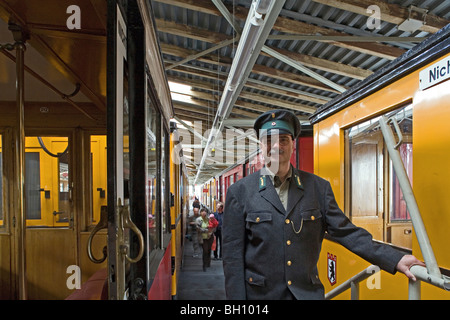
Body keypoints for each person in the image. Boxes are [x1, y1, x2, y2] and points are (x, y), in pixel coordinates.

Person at [222, 109, 424, 300]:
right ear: (261, 145)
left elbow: (347, 232)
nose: (276, 146)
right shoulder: (240, 192)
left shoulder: (318, 188)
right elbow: (232, 258)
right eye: (269, 140)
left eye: (283, 139)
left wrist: (394, 259)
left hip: (306, 294)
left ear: (293, 144)